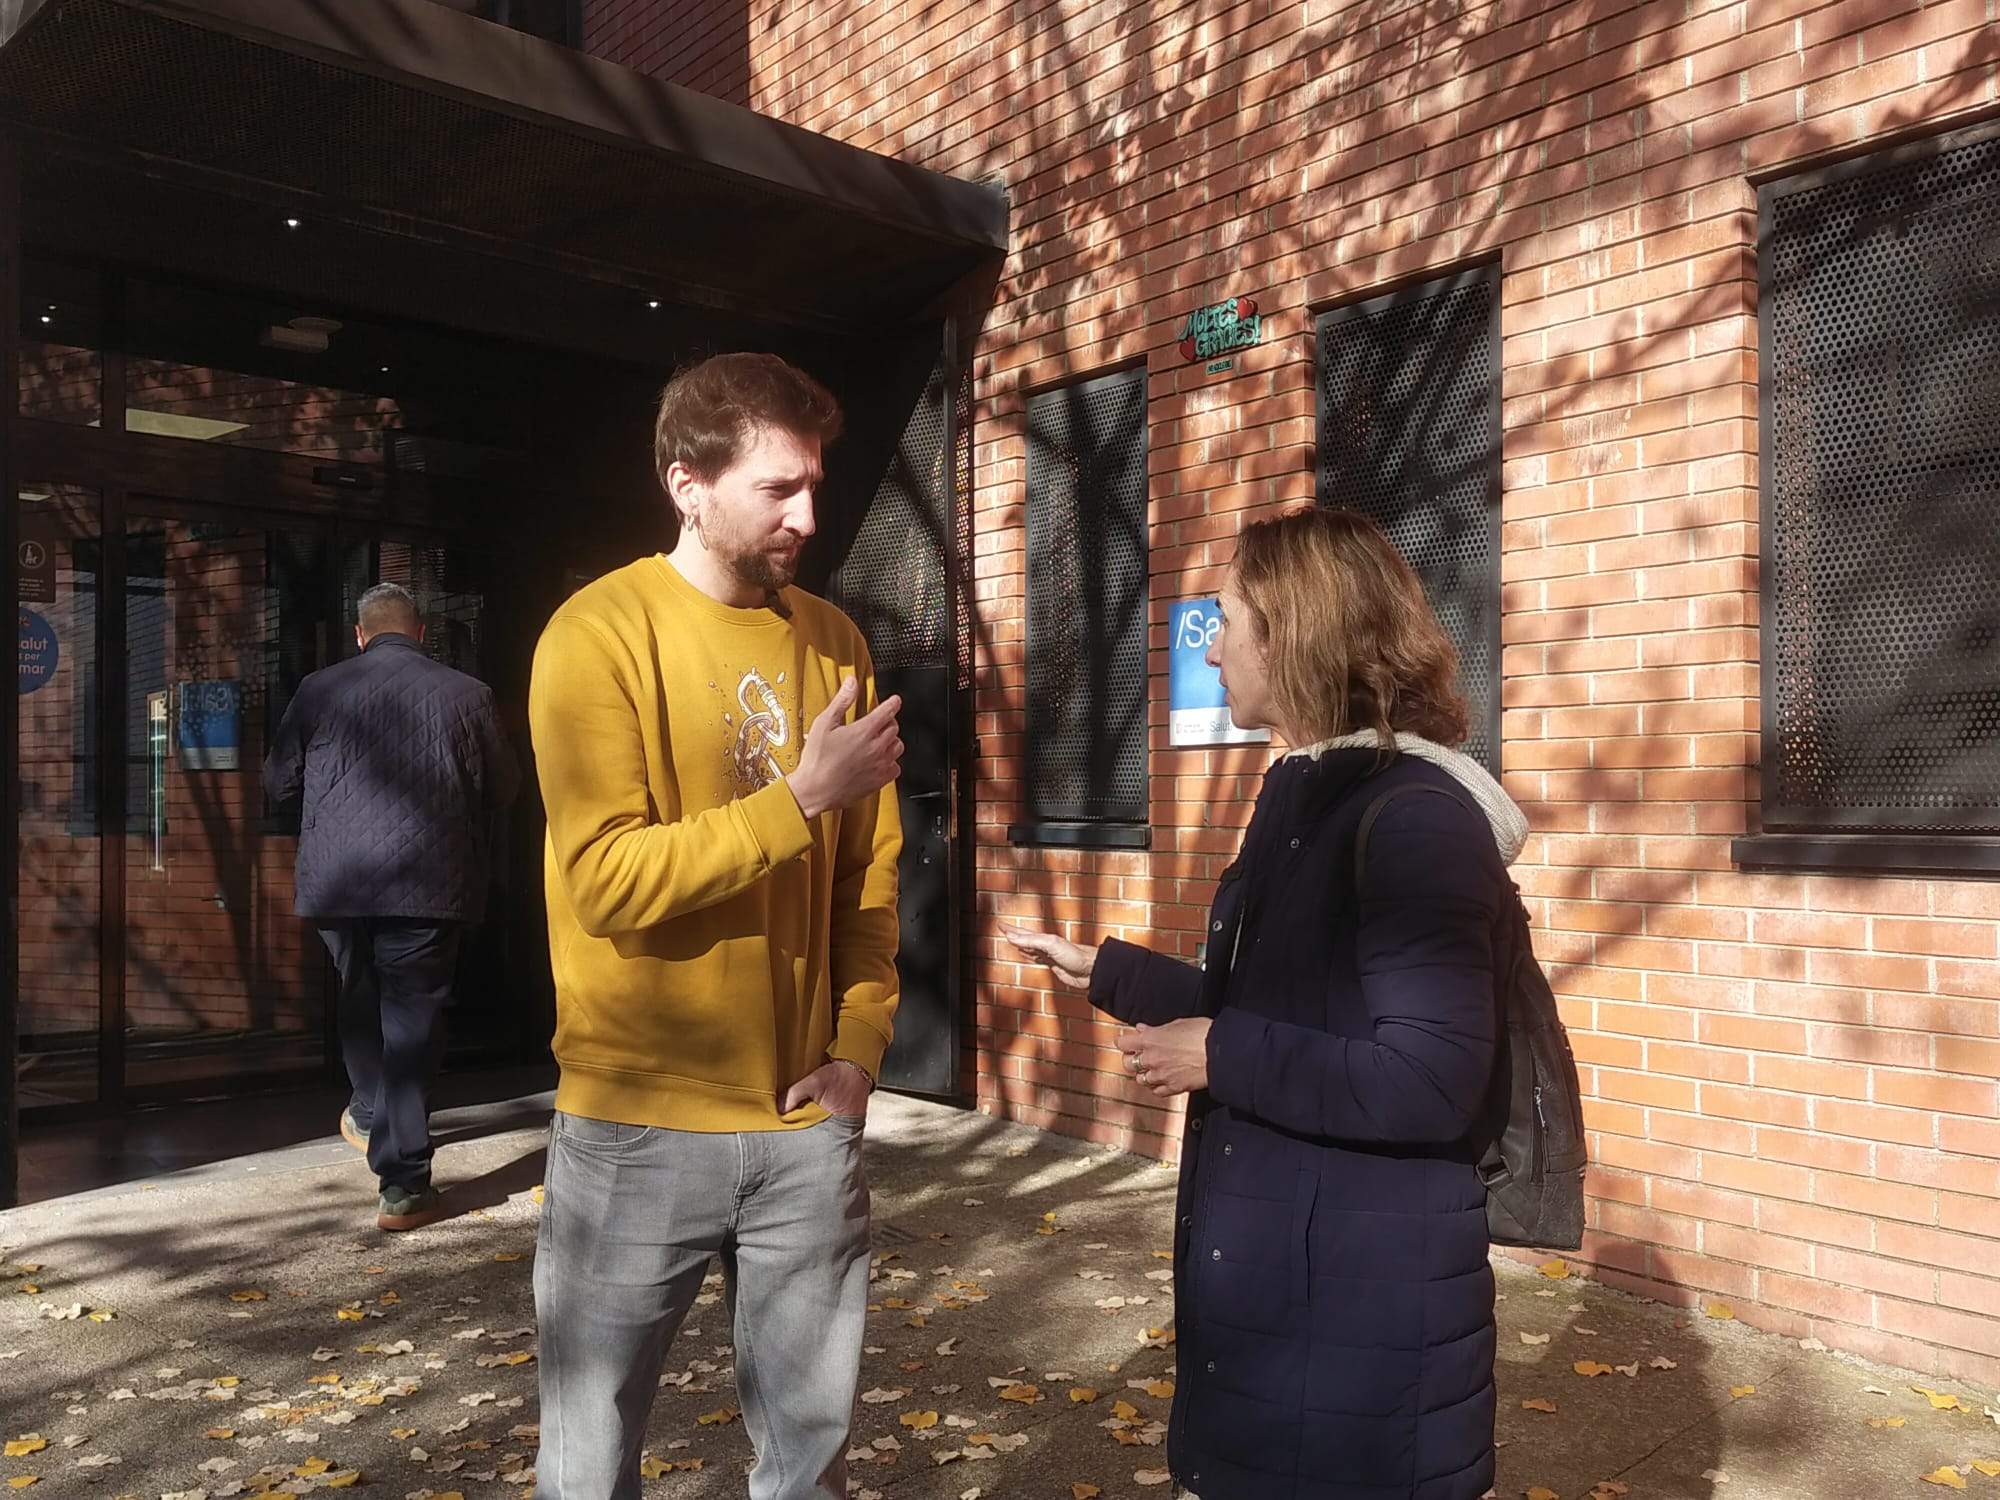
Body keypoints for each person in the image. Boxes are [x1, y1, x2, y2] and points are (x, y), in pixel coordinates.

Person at [1006, 506, 1528, 1500]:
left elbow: (1429, 1078)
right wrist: (1108, 971)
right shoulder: (1306, 792)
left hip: (1356, 1362)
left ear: (1290, 636)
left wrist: (1220, 1054)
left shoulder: (1410, 818)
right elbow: (1282, 1005)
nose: (1210, 647)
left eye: (1224, 620)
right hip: (1292, 1322)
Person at [527, 352, 904, 1500]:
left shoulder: (833, 639)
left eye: (812, 485)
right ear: (686, 484)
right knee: (590, 1456)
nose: (807, 514)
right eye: (776, 489)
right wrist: (794, 800)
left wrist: (858, 1054)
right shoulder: (597, 635)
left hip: (801, 1124)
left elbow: (869, 875)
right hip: (636, 1122)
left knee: (810, 1458)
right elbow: (607, 880)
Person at [263, 580, 520, 1232]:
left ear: (360, 633)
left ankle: (374, 1113)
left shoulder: (320, 690)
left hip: (339, 882)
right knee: (412, 1019)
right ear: (422, 632)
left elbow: (277, 781)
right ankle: (403, 1182)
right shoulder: (469, 695)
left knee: (358, 992)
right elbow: (504, 788)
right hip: (430, 885)